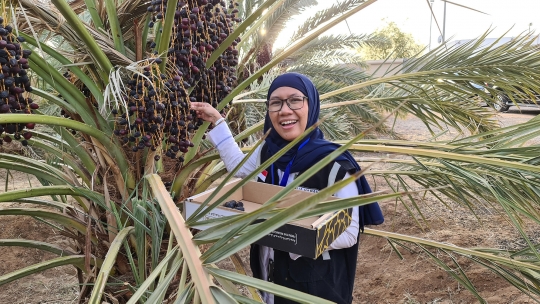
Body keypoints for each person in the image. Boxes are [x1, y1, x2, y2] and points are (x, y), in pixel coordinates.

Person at [191, 72, 383, 304]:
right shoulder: (267, 153)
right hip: (269, 280)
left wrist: (291, 236)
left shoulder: (334, 164)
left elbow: (349, 232)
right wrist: (217, 121)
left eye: (294, 100)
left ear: (310, 105)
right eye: (276, 102)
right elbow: (239, 168)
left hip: (314, 287)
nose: (284, 110)